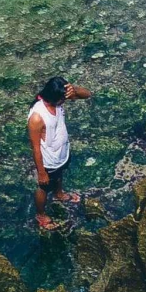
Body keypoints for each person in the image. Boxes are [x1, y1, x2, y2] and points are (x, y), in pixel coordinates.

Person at [27, 75, 92, 230]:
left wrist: (74, 89)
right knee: (43, 188)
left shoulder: (57, 100)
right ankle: (40, 215)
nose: (65, 101)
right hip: (48, 161)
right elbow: (35, 147)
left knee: (59, 175)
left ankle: (59, 194)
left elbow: (87, 94)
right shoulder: (37, 117)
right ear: (53, 97)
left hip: (61, 153)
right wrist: (41, 172)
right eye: (63, 99)